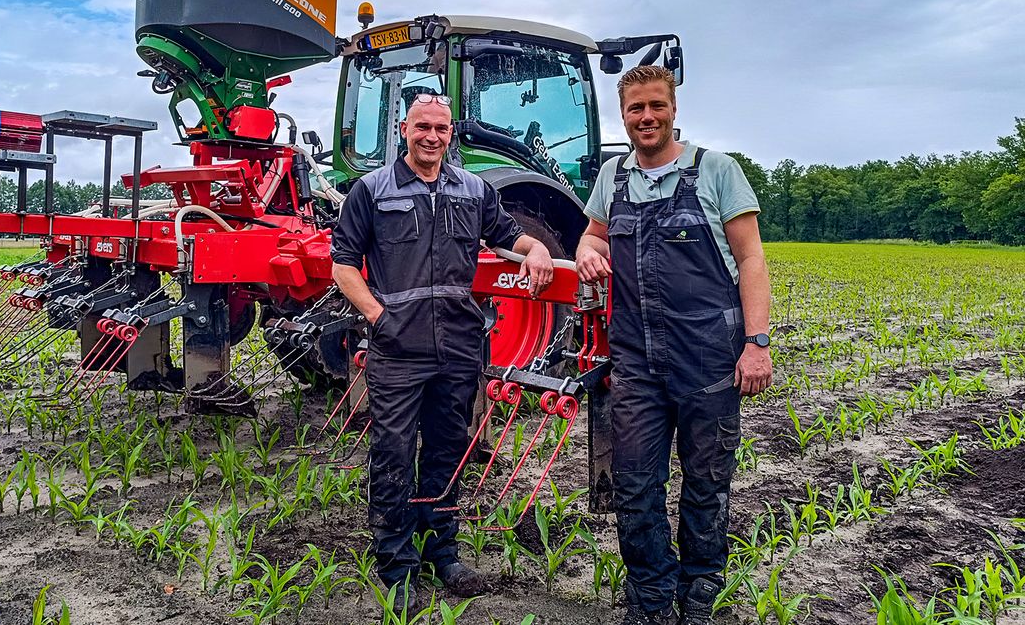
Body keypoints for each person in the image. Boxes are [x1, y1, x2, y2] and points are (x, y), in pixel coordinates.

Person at [330, 93, 555, 610]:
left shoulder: (473, 190)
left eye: (442, 128)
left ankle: (442, 551)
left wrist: (539, 249)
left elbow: (510, 237)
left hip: (457, 346)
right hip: (397, 347)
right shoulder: (371, 190)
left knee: (446, 450)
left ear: (452, 133)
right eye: (422, 127)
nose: (432, 136)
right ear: (404, 130)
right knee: (392, 452)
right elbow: (343, 265)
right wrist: (379, 317)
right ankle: (396, 564)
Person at [575, 66, 773, 625]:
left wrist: (756, 343)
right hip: (637, 361)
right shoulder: (612, 178)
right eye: (636, 109)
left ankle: (702, 590)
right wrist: (588, 249)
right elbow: (591, 232)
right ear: (623, 114)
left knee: (707, 484)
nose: (646, 117)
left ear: (674, 108)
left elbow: (752, 259)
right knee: (635, 487)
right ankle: (652, 599)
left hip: (709, 357)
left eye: (656, 106)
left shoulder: (715, 171)